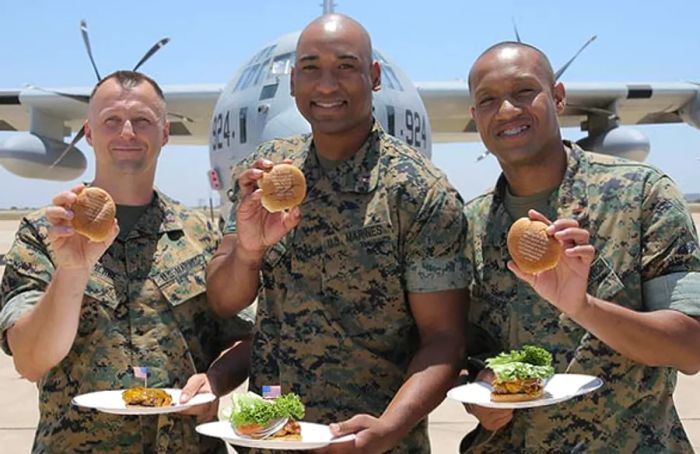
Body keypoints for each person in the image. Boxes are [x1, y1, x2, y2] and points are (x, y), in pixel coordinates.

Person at [206, 13, 468, 453]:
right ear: (293, 82)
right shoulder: (266, 172)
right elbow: (224, 300)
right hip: (270, 441)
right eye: (310, 68)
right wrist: (248, 252)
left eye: (346, 66)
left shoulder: (419, 191)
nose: (326, 85)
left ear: (375, 76)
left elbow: (444, 340)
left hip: (369, 443)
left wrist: (388, 428)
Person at [460, 41, 700, 452]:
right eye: (488, 100)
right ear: (476, 116)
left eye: (523, 92)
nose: (507, 111)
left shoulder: (641, 194)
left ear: (558, 96)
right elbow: (462, 348)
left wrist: (583, 307)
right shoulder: (469, 225)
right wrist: (480, 393)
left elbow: (690, 347)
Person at [0, 70, 254, 453]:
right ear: (88, 132)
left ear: (165, 133)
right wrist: (72, 270)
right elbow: (31, 361)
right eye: (112, 121)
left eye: (142, 121)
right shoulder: (46, 233)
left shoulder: (200, 234)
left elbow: (249, 336)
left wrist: (216, 380)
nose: (128, 133)